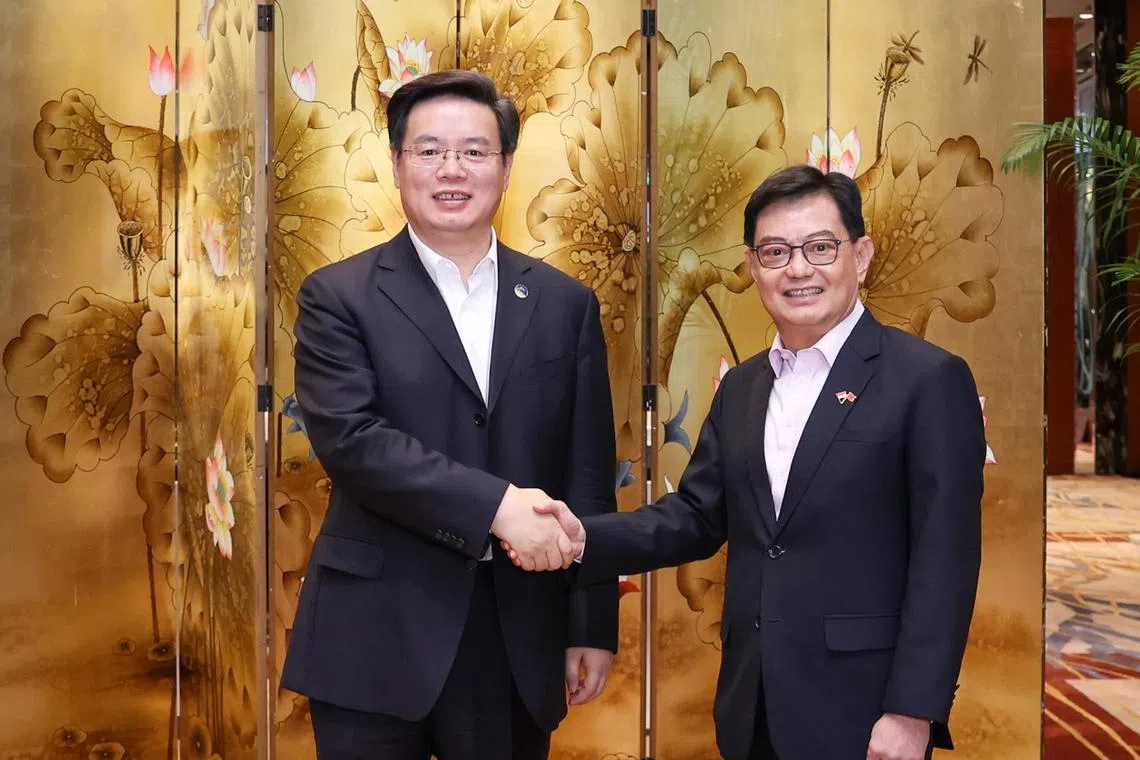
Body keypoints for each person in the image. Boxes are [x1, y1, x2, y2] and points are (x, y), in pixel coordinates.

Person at [508, 165, 985, 760]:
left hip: (865, 712)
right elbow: (695, 517)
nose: (798, 269)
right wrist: (581, 539)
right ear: (753, 266)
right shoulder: (743, 386)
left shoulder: (927, 380)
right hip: (751, 702)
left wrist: (913, 711)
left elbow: (946, 561)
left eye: (820, 247)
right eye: (776, 252)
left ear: (860, 257)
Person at [281, 69, 619, 760]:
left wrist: (591, 622)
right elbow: (354, 442)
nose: (451, 169)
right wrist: (497, 507)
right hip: (372, 632)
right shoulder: (337, 297)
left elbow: (587, 473)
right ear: (397, 163)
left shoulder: (564, 304)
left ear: (506, 166)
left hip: (516, 633)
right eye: (429, 150)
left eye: (474, 151)